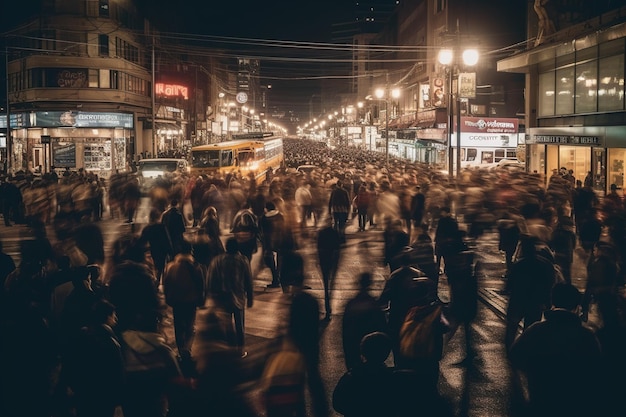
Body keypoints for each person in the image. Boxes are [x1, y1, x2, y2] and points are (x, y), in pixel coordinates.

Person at [508, 282, 604, 417]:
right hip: (574, 405)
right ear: (577, 308)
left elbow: (515, 356)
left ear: (553, 303)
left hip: (540, 402)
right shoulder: (586, 336)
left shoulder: (536, 330)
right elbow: (596, 369)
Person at [207, 237, 254, 358]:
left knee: (227, 324)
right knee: (240, 326)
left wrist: (211, 295)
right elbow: (248, 280)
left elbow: (211, 279)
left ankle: (229, 347)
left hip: (223, 298)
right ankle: (240, 350)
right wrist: (250, 297)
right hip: (239, 298)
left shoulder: (218, 260)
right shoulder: (243, 260)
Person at [163, 240, 206, 365]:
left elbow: (166, 284)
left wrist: (168, 298)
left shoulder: (171, 266)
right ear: (190, 251)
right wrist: (201, 299)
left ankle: (181, 350)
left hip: (176, 301)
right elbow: (202, 286)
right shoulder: (196, 267)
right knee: (189, 326)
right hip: (191, 301)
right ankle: (187, 349)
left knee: (178, 326)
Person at [341, 273, 388, 371]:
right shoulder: (374, 305)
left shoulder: (352, 304)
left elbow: (345, 331)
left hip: (354, 344)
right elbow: (382, 329)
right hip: (371, 349)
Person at [140, 208, 175, 287]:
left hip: (152, 251)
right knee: (160, 268)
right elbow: (167, 239)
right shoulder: (162, 227)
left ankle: (155, 282)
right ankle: (158, 281)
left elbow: (142, 241)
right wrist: (170, 251)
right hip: (162, 251)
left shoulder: (147, 228)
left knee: (154, 267)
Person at [316, 217, 343, 319]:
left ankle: (327, 306)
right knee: (332, 284)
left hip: (324, 261)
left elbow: (318, 249)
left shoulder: (321, 233)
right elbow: (338, 248)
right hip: (332, 260)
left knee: (326, 285)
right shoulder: (334, 233)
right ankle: (329, 305)